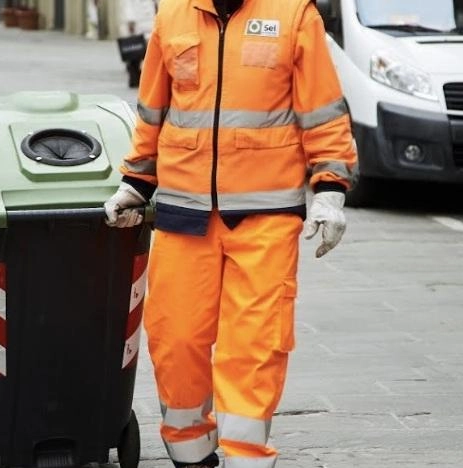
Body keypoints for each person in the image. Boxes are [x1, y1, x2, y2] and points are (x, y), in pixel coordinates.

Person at [104, 1, 356, 467]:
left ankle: (247, 458)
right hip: (184, 211)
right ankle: (191, 453)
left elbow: (322, 110)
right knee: (174, 339)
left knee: (254, 346)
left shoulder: (295, 14)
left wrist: (330, 188)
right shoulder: (172, 14)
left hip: (265, 215)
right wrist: (135, 183)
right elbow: (154, 108)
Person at [119, 0, 158, 87]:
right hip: (137, 23)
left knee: (147, 52)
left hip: (150, 21)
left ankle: (145, 76)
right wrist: (130, 21)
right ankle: (137, 77)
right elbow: (128, 5)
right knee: (137, 54)